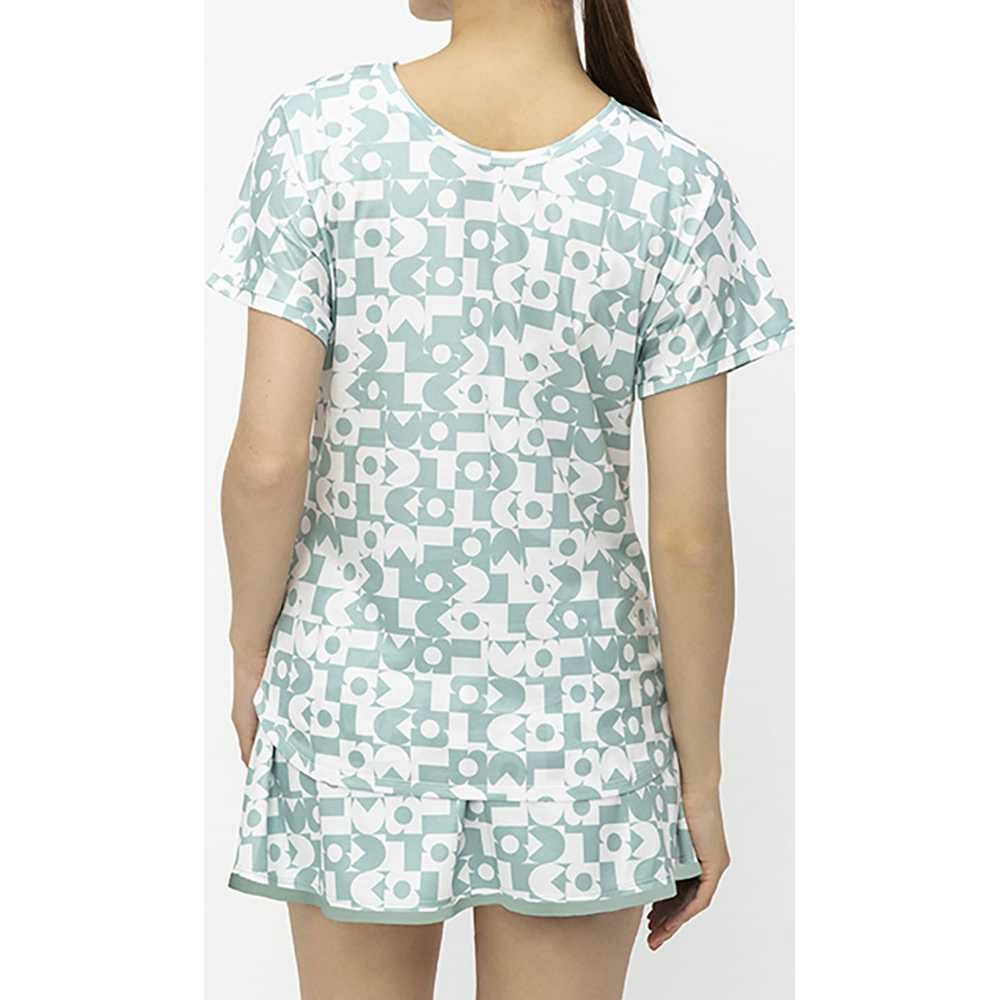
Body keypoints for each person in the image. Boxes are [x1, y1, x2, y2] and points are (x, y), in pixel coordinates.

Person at [205, 1, 793, 997]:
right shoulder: (672, 184)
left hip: (358, 706)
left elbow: (269, 458)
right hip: (584, 734)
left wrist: (249, 648)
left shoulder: (321, 136)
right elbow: (690, 535)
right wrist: (697, 780)